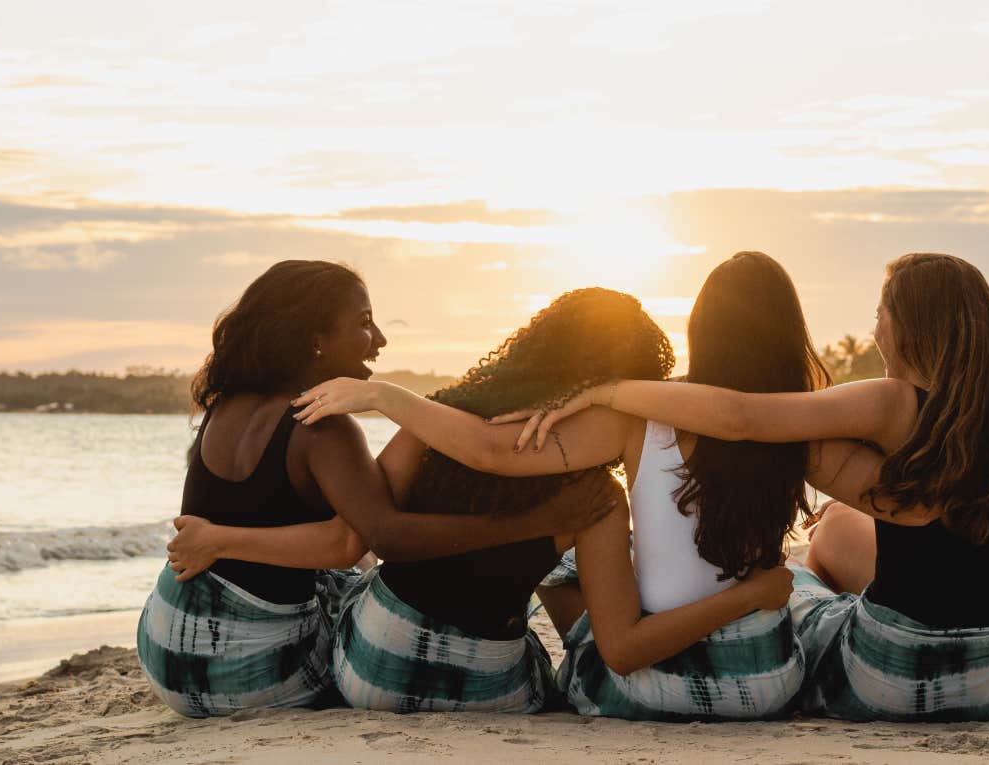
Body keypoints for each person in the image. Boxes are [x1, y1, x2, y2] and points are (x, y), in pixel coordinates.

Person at [292, 253, 904, 721]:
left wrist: (384, 397)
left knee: (572, 586)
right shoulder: (802, 428)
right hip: (767, 685)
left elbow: (490, 449)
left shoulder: (630, 418)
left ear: (701, 328)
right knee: (801, 584)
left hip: (646, 686)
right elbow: (901, 500)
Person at [492, 252, 989, 722]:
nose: (874, 329)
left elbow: (742, 418)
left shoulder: (892, 401)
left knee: (799, 590)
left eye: (881, 312)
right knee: (839, 526)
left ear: (914, 323)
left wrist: (609, 391)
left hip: (886, 675)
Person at [174, 286, 796, 714]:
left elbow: (355, 530)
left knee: (352, 592)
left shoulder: (437, 416)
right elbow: (621, 647)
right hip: (487, 685)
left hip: (368, 673)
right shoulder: (594, 496)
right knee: (553, 609)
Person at [139, 261, 614, 718]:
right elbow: (373, 539)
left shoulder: (225, 407)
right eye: (365, 322)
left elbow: (338, 538)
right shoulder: (323, 428)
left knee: (343, 580)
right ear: (315, 339)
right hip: (248, 675)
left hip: (165, 649)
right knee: (363, 597)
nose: (380, 339)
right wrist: (541, 521)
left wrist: (220, 539)